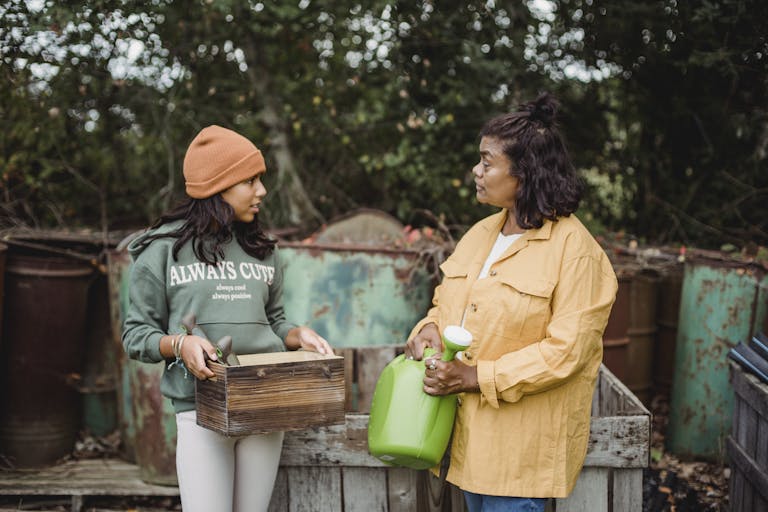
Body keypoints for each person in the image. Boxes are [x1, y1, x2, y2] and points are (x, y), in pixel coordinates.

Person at [405, 93, 618, 512]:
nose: (476, 171)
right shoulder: (481, 234)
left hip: (520, 460)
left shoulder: (576, 252)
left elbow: (566, 354)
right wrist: (426, 329)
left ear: (525, 173)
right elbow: (445, 306)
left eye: (487, 162)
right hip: (464, 446)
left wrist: (474, 377)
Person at [122, 125, 333, 512]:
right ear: (218, 186)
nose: (261, 191)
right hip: (200, 408)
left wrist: (297, 334)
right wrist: (180, 344)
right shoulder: (162, 251)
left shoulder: (261, 249)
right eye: (250, 180)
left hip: (264, 403)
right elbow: (136, 335)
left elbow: (274, 321)